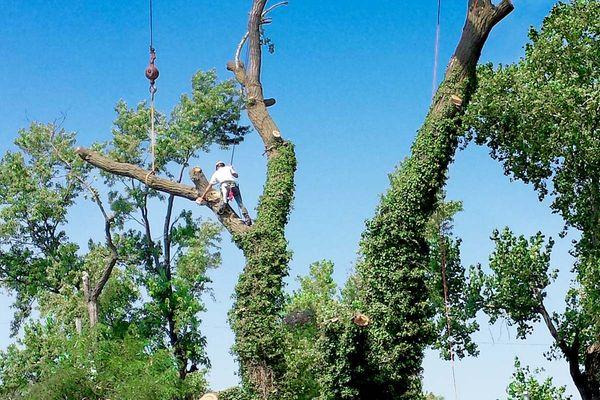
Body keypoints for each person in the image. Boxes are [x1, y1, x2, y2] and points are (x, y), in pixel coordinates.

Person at [196, 161, 252, 226]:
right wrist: (232, 168)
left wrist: (202, 196)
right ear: (223, 165)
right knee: (240, 203)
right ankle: (247, 218)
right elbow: (236, 176)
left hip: (224, 185)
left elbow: (210, 185)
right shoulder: (228, 168)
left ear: (217, 167)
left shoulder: (216, 173)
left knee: (224, 200)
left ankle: (222, 207)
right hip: (234, 184)